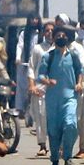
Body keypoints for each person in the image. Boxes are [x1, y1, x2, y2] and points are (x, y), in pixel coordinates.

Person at [37, 26, 84, 165]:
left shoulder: (73, 55)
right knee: (54, 130)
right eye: (58, 35)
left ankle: (68, 156)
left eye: (64, 35)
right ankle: (55, 159)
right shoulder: (48, 56)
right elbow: (40, 75)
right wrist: (47, 81)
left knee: (70, 125)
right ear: (53, 38)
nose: (61, 37)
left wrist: (79, 83)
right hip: (52, 99)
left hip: (70, 97)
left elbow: (80, 70)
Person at [27, 20, 54, 157]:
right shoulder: (38, 49)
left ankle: (57, 145)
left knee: (54, 119)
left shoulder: (60, 48)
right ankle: (43, 145)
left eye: (52, 30)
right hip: (40, 88)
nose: (50, 33)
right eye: (47, 30)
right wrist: (31, 85)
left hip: (55, 89)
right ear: (43, 33)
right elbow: (31, 68)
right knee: (40, 118)